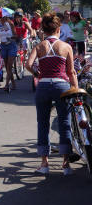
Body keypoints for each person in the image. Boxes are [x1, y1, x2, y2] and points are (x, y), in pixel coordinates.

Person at [26, 12, 77, 175]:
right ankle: (66, 164)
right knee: (64, 122)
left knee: (43, 123)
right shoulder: (66, 47)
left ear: (43, 30)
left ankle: (44, 163)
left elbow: (28, 64)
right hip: (62, 86)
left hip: (43, 86)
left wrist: (37, 74)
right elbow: (71, 72)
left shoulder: (39, 46)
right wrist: (75, 90)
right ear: (59, 29)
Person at [0, 15, 17, 90]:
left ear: (5, 17)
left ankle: (7, 84)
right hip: (3, 46)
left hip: (11, 45)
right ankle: (13, 83)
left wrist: (11, 38)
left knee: (9, 65)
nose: (1, 19)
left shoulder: (10, 23)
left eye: (2, 17)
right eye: (0, 18)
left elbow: (15, 35)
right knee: (7, 67)